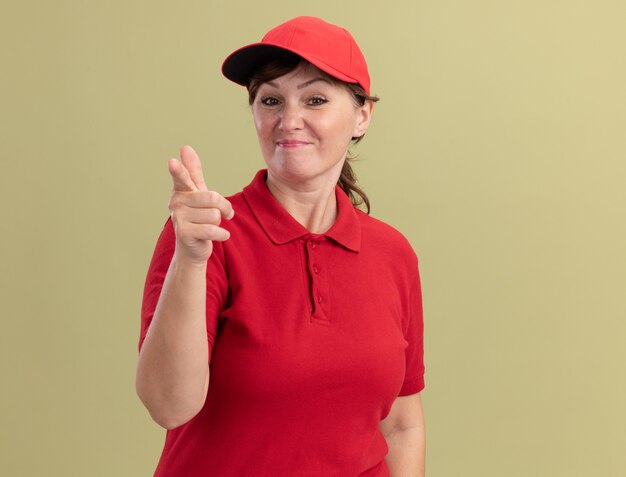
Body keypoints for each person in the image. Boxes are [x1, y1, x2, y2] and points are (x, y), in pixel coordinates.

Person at [135, 15, 426, 477]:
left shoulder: (393, 253)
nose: (289, 121)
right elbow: (169, 407)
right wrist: (191, 260)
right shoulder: (205, 235)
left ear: (362, 116)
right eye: (271, 100)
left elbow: (402, 424)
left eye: (315, 99)